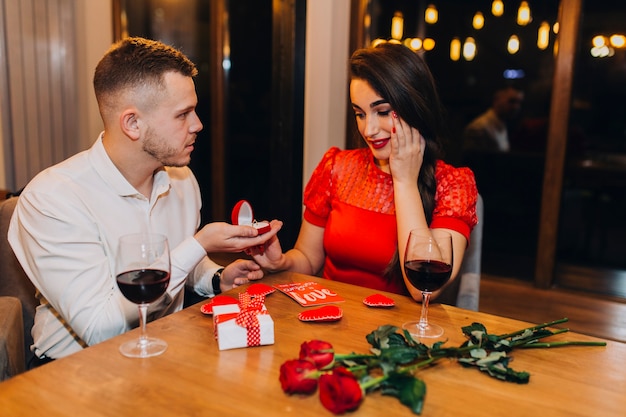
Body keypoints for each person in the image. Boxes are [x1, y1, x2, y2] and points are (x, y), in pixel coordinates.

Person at [8, 37, 282, 362]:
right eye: (183, 114)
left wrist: (216, 277)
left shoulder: (182, 180)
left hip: (167, 350)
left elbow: (178, 267)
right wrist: (199, 244)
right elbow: (101, 329)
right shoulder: (53, 198)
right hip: (75, 372)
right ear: (133, 123)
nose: (198, 125)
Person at [250, 42, 478, 304]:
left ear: (415, 107)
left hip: (398, 335)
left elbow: (424, 290)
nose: (368, 129)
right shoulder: (337, 167)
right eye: (359, 113)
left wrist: (404, 181)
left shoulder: (453, 183)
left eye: (381, 112)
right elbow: (309, 258)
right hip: (330, 318)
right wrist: (282, 262)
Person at [463, 85, 524, 152]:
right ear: (496, 100)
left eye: (519, 102)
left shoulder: (501, 123)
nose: (516, 107)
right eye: (511, 101)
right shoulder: (479, 128)